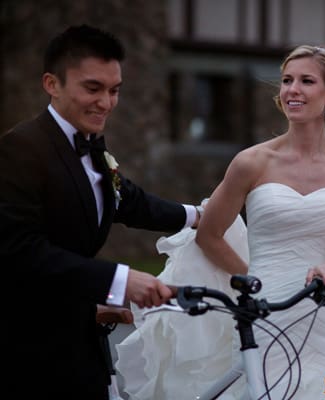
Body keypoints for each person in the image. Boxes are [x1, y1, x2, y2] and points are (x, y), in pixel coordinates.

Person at [116, 45, 325, 399]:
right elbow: (209, 234)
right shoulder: (251, 162)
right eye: (286, 81)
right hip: (264, 309)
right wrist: (251, 280)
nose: (292, 90)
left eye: (306, 81)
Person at [0, 25, 201, 400]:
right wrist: (121, 282)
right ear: (51, 84)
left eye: (114, 91)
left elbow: (129, 201)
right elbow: (19, 250)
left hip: (80, 341)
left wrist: (198, 216)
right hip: (27, 350)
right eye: (93, 88)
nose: (106, 103)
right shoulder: (19, 149)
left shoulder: (91, 147)